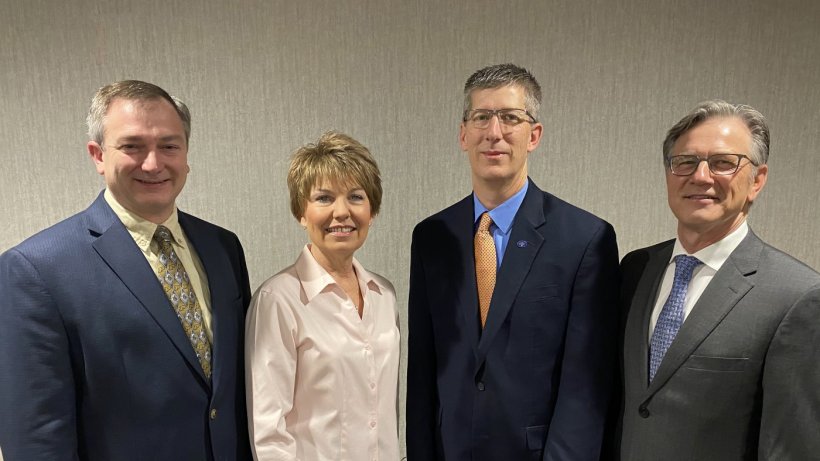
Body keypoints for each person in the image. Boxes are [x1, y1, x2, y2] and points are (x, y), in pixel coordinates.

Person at [0, 80, 252, 460]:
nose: (153, 164)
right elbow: (36, 437)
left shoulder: (223, 247)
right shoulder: (36, 269)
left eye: (169, 146)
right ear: (98, 155)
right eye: (132, 146)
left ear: (186, 153)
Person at [406, 63, 620, 460]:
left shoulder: (585, 239)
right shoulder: (431, 237)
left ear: (533, 135)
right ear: (463, 134)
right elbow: (423, 370)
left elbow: (586, 386)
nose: (494, 132)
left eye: (510, 118)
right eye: (481, 117)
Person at [616, 100, 820, 460]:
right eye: (686, 162)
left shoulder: (797, 296)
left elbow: (792, 448)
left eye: (723, 163)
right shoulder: (636, 268)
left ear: (757, 180)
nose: (701, 176)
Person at [245, 131, 400, 460]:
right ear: (302, 212)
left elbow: (386, 409)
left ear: (372, 211)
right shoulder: (278, 300)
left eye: (356, 197)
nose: (342, 212)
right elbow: (269, 430)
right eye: (324, 198)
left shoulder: (384, 294)